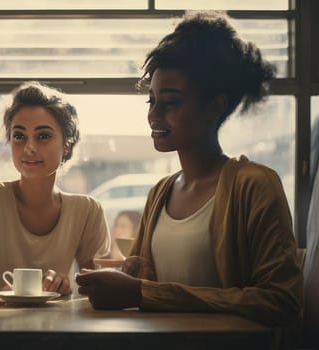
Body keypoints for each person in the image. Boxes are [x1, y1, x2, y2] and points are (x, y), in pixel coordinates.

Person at [76, 11, 303, 337]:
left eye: (170, 103)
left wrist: (142, 292)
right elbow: (144, 283)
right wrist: (129, 277)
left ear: (214, 106)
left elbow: (281, 301)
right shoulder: (160, 192)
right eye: (151, 101)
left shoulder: (254, 185)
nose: (154, 115)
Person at [0, 81, 111, 297]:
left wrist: (68, 286)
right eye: (19, 136)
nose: (29, 147)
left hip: (58, 328)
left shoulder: (87, 211)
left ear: (66, 144)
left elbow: (99, 291)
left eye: (43, 136)